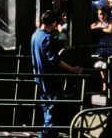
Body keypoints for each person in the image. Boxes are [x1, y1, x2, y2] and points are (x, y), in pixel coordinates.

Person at [31, 10, 83, 138]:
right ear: (53, 23)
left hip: (39, 75)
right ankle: (47, 133)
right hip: (49, 77)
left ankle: (50, 131)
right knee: (52, 106)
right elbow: (55, 60)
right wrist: (73, 69)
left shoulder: (35, 35)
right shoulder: (46, 38)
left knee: (46, 104)